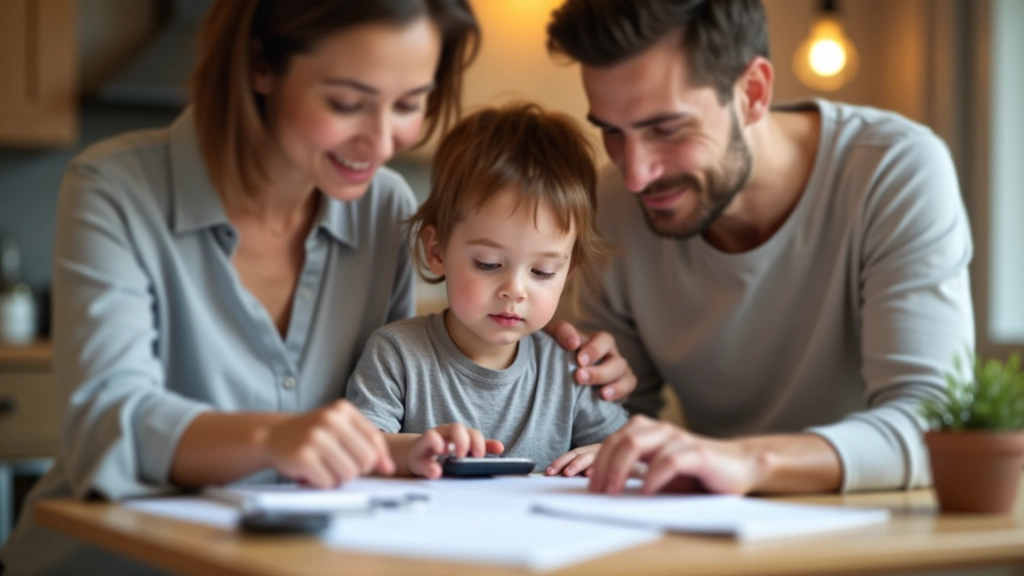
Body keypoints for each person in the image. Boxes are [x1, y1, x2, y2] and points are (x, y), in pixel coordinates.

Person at [0, 2, 634, 574]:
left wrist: (538, 338)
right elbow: (108, 426)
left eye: (409, 103)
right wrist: (272, 437)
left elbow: (393, 426)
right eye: (347, 102)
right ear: (261, 66)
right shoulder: (116, 190)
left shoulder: (381, 206)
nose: (382, 140)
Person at [545, 0, 975, 496]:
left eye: (667, 128)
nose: (636, 173)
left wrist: (751, 461)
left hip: (882, 539)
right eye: (612, 132)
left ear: (752, 93)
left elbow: (935, 426)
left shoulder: (893, 172)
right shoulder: (613, 209)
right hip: (710, 540)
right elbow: (612, 429)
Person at [346, 103, 629, 479]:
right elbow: (358, 448)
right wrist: (411, 449)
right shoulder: (396, 354)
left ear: (569, 270)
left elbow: (631, 448)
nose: (514, 290)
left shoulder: (568, 370)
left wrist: (607, 455)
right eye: (488, 264)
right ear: (437, 250)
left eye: (543, 272)